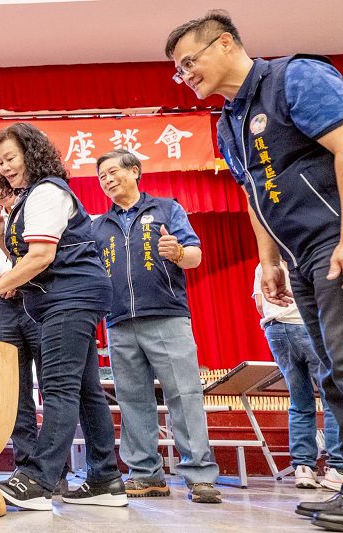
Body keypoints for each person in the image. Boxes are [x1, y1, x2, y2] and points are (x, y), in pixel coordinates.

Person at [166, 9, 343, 526]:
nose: (185, 75)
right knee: (333, 372)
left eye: (189, 62)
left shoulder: (295, 77)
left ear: (224, 43)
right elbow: (253, 193)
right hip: (299, 256)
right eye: (178, 70)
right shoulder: (229, 123)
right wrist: (270, 261)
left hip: (332, 239)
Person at [0, 123, 126, 511]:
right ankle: (105, 479)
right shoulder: (29, 199)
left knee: (58, 387)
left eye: (11, 158)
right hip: (69, 296)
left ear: (32, 153)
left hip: (70, 298)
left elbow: (40, 256)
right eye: (0, 161)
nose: (5, 167)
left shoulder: (47, 192)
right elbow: (30, 254)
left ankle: (39, 480)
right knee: (85, 389)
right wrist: (3, 238)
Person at [91, 149, 221, 504]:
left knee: (184, 395)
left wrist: (177, 252)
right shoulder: (98, 226)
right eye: (102, 177)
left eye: (113, 172)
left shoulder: (166, 209)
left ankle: (199, 475)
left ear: (135, 171)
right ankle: (146, 474)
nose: (107, 180)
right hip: (119, 323)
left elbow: (194, 257)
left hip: (168, 317)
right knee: (133, 400)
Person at [0, 160, 69, 496]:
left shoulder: (36, 206)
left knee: (51, 385)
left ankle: (53, 470)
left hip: (39, 302)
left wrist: (10, 279)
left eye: (2, 181)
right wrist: (0, 271)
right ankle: (26, 466)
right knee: (15, 392)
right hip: (5, 309)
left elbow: (37, 258)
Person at [253, 262, 343, 491]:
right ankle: (337, 467)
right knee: (332, 397)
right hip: (306, 326)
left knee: (299, 400)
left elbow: (260, 304)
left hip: (275, 331)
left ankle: (303, 467)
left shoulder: (264, 265)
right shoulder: (306, 259)